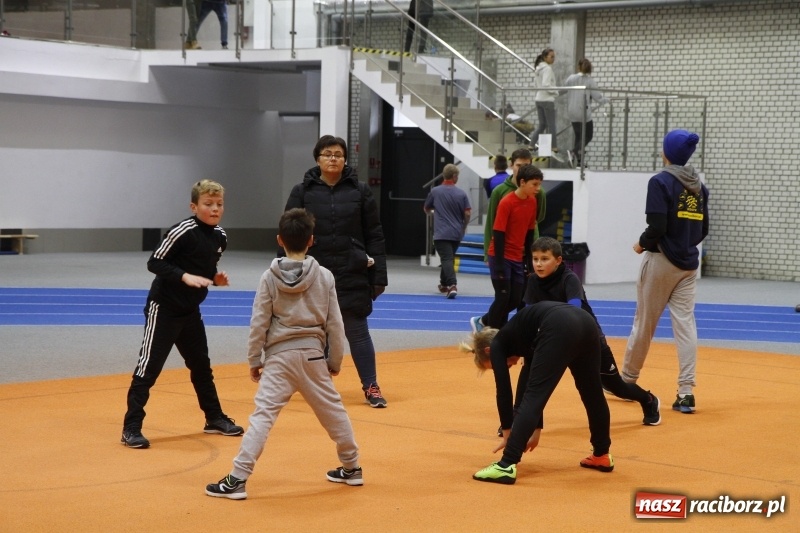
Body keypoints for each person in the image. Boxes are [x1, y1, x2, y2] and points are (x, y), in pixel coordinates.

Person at [205, 208, 362, 500]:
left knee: (262, 418)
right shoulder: (325, 276)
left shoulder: (268, 277)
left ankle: (238, 479)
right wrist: (334, 360)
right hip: (314, 357)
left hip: (279, 359)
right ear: (311, 240)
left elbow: (259, 321)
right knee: (334, 412)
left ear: (280, 239)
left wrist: (254, 360)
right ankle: (352, 467)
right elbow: (335, 324)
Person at [121, 179, 243, 449]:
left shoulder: (220, 237)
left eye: (219, 204)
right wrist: (183, 276)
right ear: (194, 205)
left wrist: (214, 278)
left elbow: (204, 268)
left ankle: (214, 418)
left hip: (190, 311)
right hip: (163, 308)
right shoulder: (182, 231)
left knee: (201, 367)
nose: (215, 209)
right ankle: (131, 428)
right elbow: (155, 262)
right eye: (208, 204)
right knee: (148, 368)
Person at [285, 135, 389, 408]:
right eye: (328, 154)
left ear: (345, 159)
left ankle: (371, 386)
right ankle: (318, 387)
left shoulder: (361, 191)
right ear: (317, 159)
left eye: (339, 155)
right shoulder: (302, 191)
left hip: (351, 270)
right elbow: (289, 232)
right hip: (312, 273)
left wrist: (379, 276)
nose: (334, 159)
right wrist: (286, 270)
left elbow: (375, 234)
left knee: (357, 331)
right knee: (313, 334)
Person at [467, 301, 614, 485]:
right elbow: (526, 385)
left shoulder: (498, 344)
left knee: (535, 396)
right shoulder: (523, 337)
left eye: (503, 365)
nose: (509, 366)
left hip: (559, 325)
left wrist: (507, 433)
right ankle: (601, 454)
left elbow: (504, 392)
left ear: (488, 351)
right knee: (592, 392)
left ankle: (506, 465)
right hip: (586, 322)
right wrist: (536, 431)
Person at [523, 237, 661, 425]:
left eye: (544, 259)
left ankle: (648, 400)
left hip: (588, 340)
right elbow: (527, 315)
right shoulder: (533, 282)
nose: (539, 264)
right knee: (533, 380)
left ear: (558, 260)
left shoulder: (569, 279)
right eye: (535, 259)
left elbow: (574, 312)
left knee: (616, 386)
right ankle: (518, 422)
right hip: (556, 340)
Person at [621, 129, 709, 414]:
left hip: (660, 261)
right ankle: (686, 392)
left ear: (666, 152)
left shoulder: (660, 181)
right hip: (688, 265)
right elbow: (703, 229)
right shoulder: (699, 187)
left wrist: (641, 244)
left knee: (644, 323)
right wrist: (683, 245)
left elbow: (657, 226)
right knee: (685, 326)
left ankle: (627, 380)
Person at [471, 164, 542, 331]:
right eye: (534, 184)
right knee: (503, 297)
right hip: (500, 255)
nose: (538, 188)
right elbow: (498, 233)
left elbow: (530, 233)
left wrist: (528, 261)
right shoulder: (507, 202)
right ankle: (492, 335)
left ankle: (482, 321)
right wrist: (501, 263)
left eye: (539, 184)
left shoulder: (532, 202)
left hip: (517, 257)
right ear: (522, 182)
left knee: (517, 299)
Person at [481, 148, 546, 263]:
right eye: (519, 165)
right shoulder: (499, 191)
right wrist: (487, 253)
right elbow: (491, 222)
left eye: (526, 166)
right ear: (511, 165)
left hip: (529, 245)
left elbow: (539, 217)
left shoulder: (538, 192)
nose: (522, 169)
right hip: (505, 248)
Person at [423, 163, 472, 299]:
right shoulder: (461, 193)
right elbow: (467, 213)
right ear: (455, 176)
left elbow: (426, 208)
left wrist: (434, 213)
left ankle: (452, 285)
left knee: (446, 258)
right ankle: (444, 284)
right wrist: (464, 226)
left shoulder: (435, 192)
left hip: (441, 233)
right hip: (456, 232)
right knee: (448, 258)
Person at [564, 58, 607, 168]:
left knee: (579, 137)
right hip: (583, 112)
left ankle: (579, 162)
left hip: (572, 111)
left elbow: (563, 90)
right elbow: (598, 97)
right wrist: (607, 100)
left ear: (578, 67)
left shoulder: (571, 78)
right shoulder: (589, 81)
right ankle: (573, 152)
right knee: (588, 136)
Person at [531, 48, 559, 152]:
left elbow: (536, 85)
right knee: (551, 124)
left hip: (538, 99)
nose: (553, 59)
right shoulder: (547, 69)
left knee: (542, 124)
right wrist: (556, 91)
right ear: (544, 57)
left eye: (554, 57)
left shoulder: (538, 68)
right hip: (547, 99)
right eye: (551, 57)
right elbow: (546, 84)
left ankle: (532, 143)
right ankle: (554, 146)